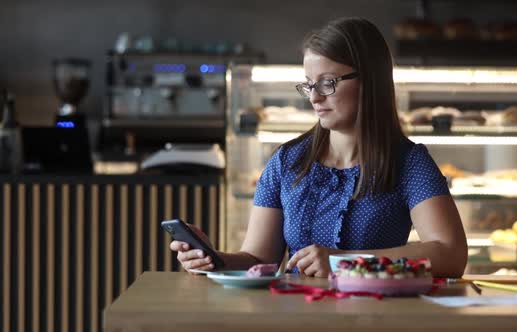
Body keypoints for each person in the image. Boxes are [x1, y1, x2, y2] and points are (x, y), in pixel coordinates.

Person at [170, 17, 467, 278]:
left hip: (376, 318)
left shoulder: (409, 162)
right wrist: (214, 259)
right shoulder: (287, 161)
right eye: (309, 84)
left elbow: (451, 255)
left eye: (327, 83)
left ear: (369, 80)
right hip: (297, 318)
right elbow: (260, 260)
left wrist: (344, 262)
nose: (314, 98)